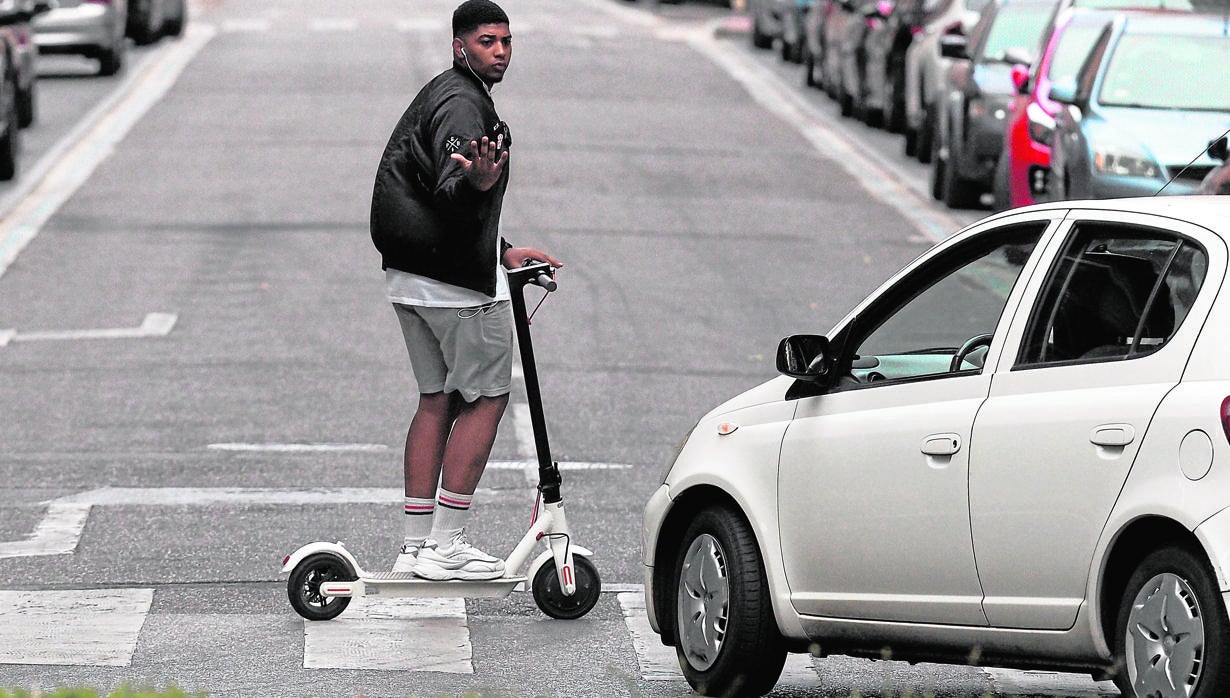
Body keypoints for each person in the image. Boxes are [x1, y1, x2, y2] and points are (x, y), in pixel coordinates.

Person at [369, 0, 562, 581]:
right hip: (455, 286)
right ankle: (446, 546)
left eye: (506, 41)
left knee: (437, 399)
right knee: (487, 399)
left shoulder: (447, 92)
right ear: (460, 47)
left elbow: (439, 193)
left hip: (409, 276)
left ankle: (415, 544)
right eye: (487, 41)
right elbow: (454, 186)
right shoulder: (462, 105)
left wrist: (502, 251)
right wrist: (476, 182)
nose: (500, 51)